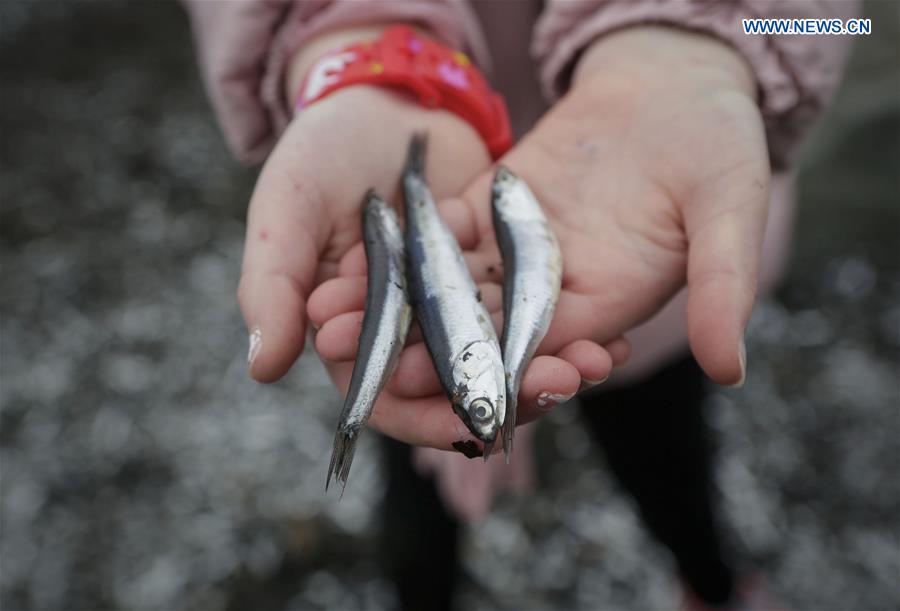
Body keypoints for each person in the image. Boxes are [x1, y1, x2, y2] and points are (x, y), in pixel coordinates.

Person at [184, 1, 855, 609]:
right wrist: (354, 45)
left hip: (643, 267)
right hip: (504, 200)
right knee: (419, 470)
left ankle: (711, 586)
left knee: (668, 465)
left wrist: (704, 36)